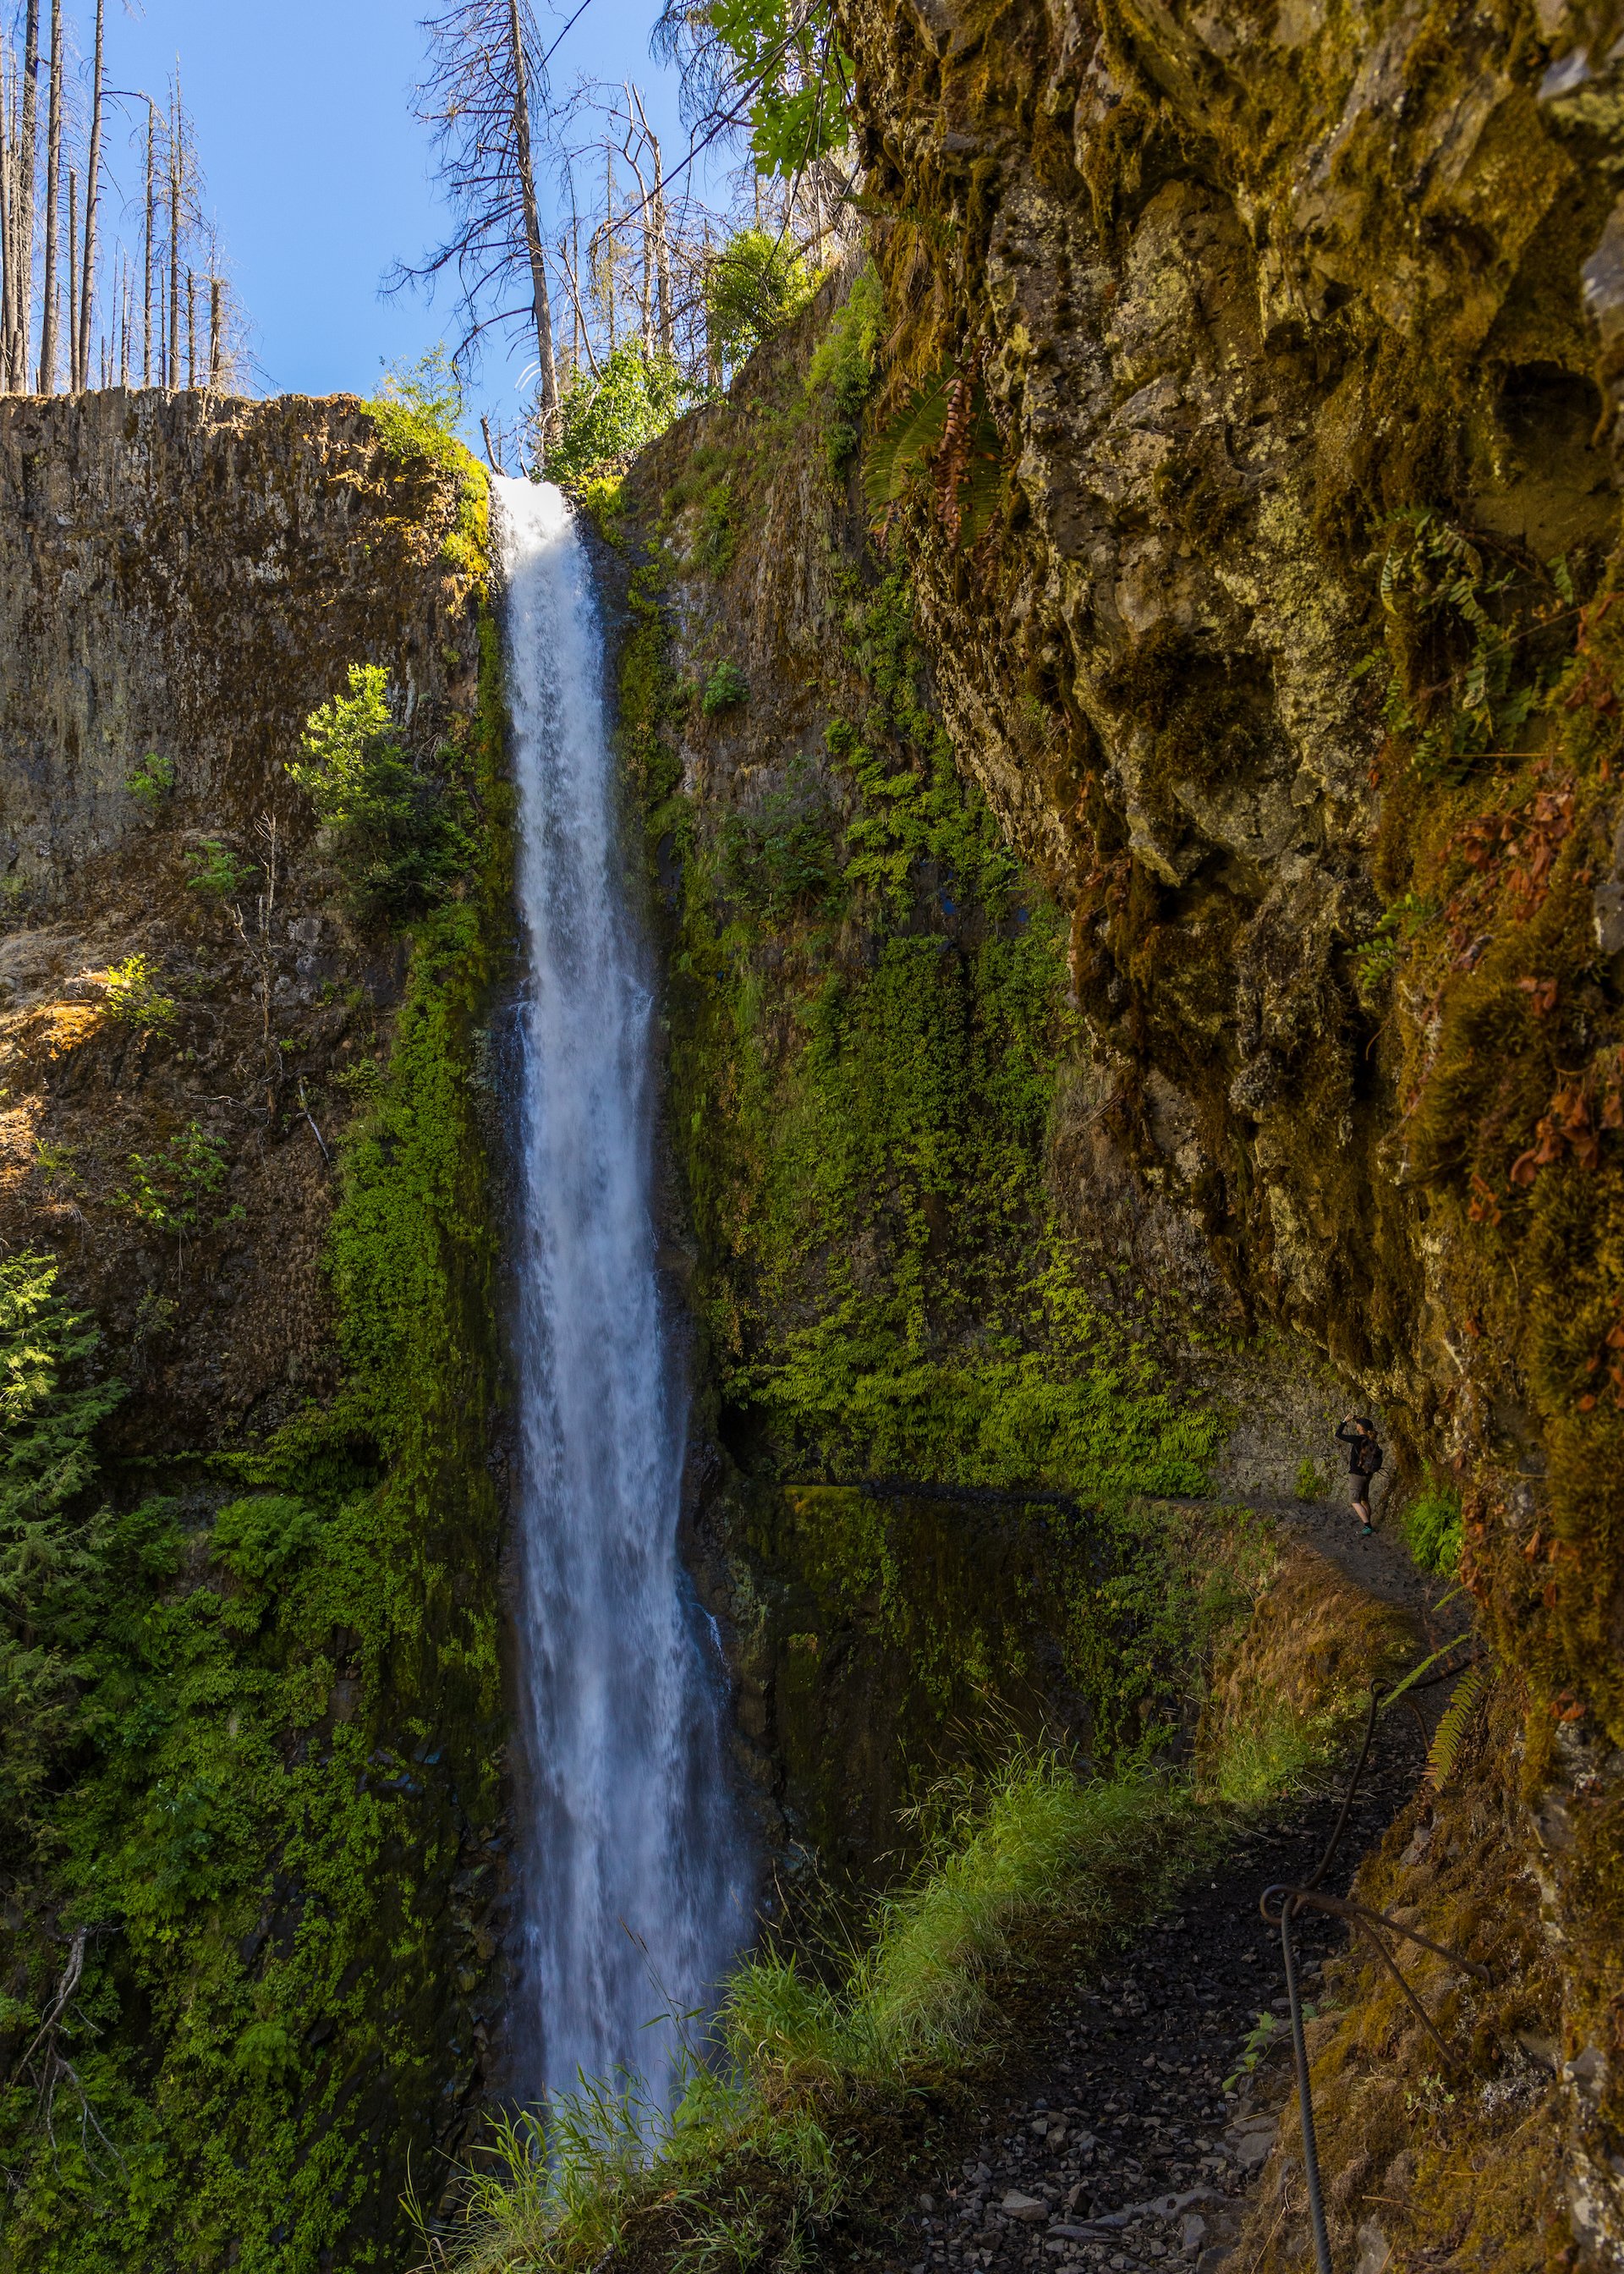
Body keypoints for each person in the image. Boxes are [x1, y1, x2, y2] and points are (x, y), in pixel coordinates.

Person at [1336, 1414, 1383, 1535]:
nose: (1356, 1425)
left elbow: (1338, 1434)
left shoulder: (1358, 1440)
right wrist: (1356, 1419)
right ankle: (1369, 1524)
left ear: (1360, 1428)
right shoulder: (1373, 1442)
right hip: (1367, 1474)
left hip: (1357, 1475)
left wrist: (1345, 1421)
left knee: (1354, 1500)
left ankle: (1367, 1527)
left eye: (1358, 1424)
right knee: (1364, 1500)